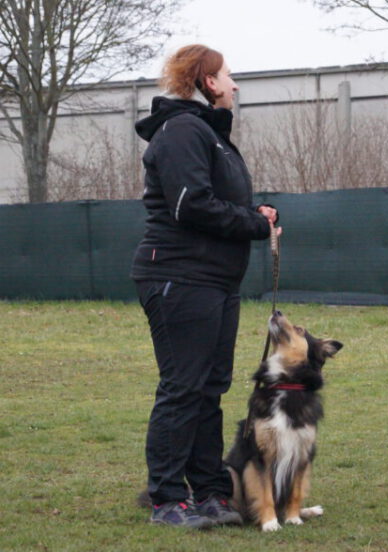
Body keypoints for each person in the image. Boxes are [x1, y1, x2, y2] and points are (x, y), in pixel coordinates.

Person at [131, 44, 280, 528]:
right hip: (179, 276)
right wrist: (253, 225)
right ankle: (167, 499)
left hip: (213, 280)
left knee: (209, 389)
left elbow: (213, 200)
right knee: (183, 387)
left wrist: (253, 214)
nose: (234, 85)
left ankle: (210, 492)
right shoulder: (181, 132)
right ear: (209, 82)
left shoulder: (206, 135)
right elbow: (190, 205)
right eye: (229, 76)